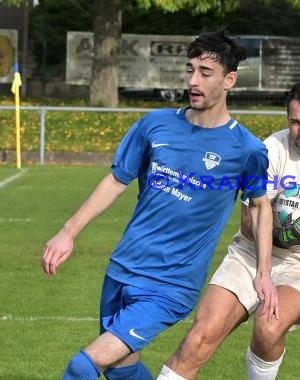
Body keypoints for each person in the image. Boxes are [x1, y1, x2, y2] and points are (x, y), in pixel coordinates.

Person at [41, 29, 278, 380]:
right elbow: (116, 180)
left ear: (229, 80)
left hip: (171, 284)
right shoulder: (155, 125)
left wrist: (263, 273)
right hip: (123, 268)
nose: (193, 81)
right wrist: (68, 232)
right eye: (190, 70)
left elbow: (259, 207)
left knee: (83, 366)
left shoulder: (246, 149)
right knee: (122, 370)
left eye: (205, 73)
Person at [157, 79, 300, 380]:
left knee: (269, 326)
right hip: (253, 253)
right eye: (295, 122)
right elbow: (249, 223)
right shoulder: (270, 150)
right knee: (200, 337)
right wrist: (285, 236)